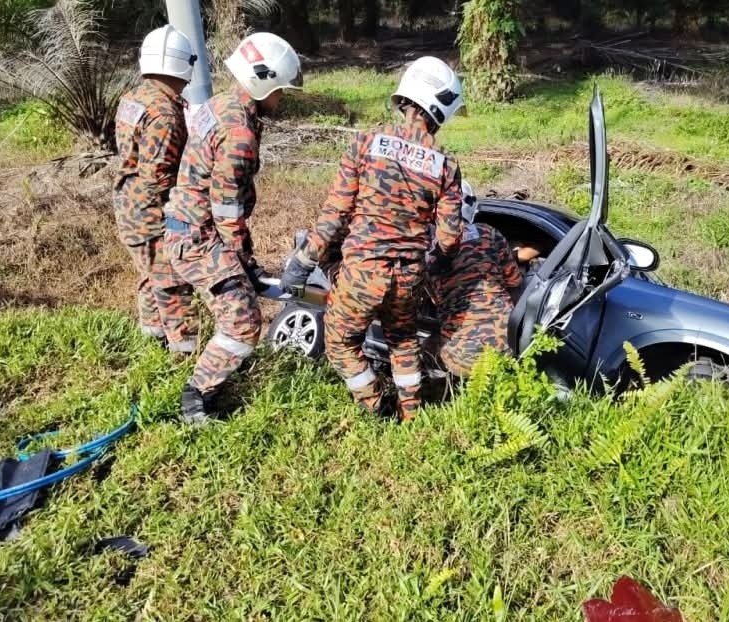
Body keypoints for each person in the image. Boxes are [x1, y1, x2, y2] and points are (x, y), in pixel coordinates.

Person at [281, 57, 465, 422]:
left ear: (405, 98)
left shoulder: (366, 143)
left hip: (363, 272)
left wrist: (302, 262)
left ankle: (377, 406)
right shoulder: (445, 165)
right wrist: (432, 264)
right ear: (440, 110)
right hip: (409, 277)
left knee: (339, 342)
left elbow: (335, 215)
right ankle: (412, 415)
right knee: (403, 341)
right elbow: (449, 236)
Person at [165, 32, 302, 422]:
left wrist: (248, 265)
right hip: (198, 236)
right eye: (279, 90)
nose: (281, 98)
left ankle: (217, 370)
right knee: (244, 320)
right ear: (262, 83)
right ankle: (196, 398)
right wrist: (242, 260)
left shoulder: (219, 104)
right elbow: (226, 209)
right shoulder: (239, 133)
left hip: (190, 226)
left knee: (242, 295)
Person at [113, 24, 198, 356]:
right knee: (173, 281)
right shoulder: (164, 113)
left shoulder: (134, 98)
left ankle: (153, 341)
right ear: (183, 64)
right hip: (152, 213)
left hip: (128, 204)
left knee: (151, 276)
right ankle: (184, 353)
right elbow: (157, 177)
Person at [425, 180, 524, 379]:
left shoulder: (427, 250)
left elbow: (435, 301)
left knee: (425, 347)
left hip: (462, 358)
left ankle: (444, 394)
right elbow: (515, 282)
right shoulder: (490, 233)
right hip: (508, 347)